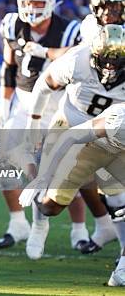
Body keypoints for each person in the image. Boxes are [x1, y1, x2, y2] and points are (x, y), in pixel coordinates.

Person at [0, 0, 86, 251]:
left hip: (58, 106)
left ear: (50, 4)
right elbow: (9, 67)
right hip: (24, 104)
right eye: (27, 2)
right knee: (3, 165)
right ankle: (17, 223)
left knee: (66, 172)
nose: (31, 8)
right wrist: (3, 104)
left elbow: (81, 55)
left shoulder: (70, 30)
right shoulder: (12, 24)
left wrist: (46, 52)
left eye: (37, 3)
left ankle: (80, 231)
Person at [22, 25, 125, 259]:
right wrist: (34, 122)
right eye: (105, 59)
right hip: (70, 123)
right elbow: (44, 84)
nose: (110, 67)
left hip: (110, 136)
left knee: (117, 194)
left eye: (117, 61)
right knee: (49, 196)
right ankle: (39, 226)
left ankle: (122, 258)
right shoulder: (78, 59)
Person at [18, 103, 125, 286]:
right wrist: (43, 177)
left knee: (121, 202)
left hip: (121, 154)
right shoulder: (115, 120)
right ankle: (40, 203)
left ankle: (122, 268)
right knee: (51, 207)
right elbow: (70, 136)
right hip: (93, 149)